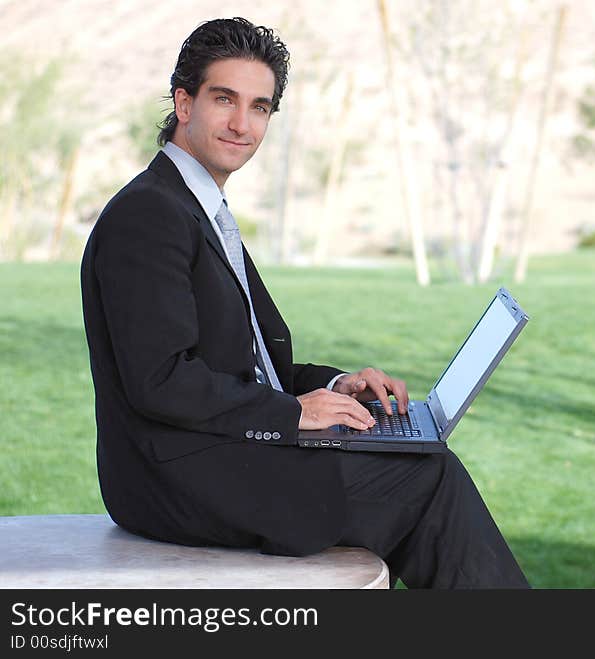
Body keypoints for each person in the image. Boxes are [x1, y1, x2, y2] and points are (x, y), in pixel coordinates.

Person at [80, 17, 528, 589]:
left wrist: (337, 389)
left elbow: (251, 364)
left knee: (420, 469)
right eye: (225, 99)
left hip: (219, 451)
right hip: (178, 475)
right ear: (184, 102)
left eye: (260, 107)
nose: (243, 124)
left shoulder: (200, 209)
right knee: (426, 479)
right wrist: (295, 414)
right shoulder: (149, 214)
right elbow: (161, 379)